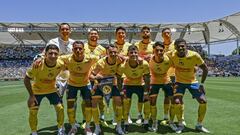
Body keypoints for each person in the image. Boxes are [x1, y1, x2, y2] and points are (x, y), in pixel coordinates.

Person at [169, 38, 209, 133]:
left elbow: (205, 69)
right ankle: (180, 124)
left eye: (183, 46)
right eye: (178, 47)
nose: (181, 48)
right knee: (177, 102)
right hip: (179, 82)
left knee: (203, 101)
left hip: (192, 82)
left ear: (186, 46)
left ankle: (199, 125)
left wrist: (202, 84)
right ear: (175, 47)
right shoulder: (172, 55)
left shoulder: (194, 55)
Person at [24, 44, 65, 135]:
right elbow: (26, 79)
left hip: (52, 90)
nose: (53, 56)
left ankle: (61, 129)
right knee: (33, 111)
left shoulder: (60, 63)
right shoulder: (37, 65)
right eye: (50, 53)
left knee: (60, 108)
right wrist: (31, 96)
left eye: (55, 53)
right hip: (37, 91)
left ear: (58, 55)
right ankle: (34, 131)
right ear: (45, 54)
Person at [59, 41, 97, 135]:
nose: (78, 50)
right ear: (72, 50)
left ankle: (87, 127)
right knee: (70, 105)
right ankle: (73, 127)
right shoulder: (67, 58)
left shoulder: (91, 58)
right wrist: (40, 59)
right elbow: (54, 58)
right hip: (72, 84)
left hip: (86, 84)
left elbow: (102, 60)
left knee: (88, 104)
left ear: (84, 50)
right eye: (75, 48)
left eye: (80, 48)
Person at [90, 44, 125, 135]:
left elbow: (129, 58)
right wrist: (96, 77)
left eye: (115, 52)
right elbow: (91, 75)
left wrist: (123, 57)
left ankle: (118, 126)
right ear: (107, 53)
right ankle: (97, 127)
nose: (113, 54)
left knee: (119, 102)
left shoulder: (119, 60)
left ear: (117, 53)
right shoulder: (101, 62)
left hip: (112, 85)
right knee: (94, 103)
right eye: (111, 52)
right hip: (101, 84)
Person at [117, 45, 150, 133]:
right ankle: (126, 123)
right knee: (126, 103)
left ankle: (146, 121)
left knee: (146, 101)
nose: (133, 54)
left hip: (140, 85)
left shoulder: (144, 63)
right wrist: (120, 91)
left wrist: (146, 91)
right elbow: (119, 79)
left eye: (135, 52)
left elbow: (147, 77)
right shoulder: (123, 65)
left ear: (138, 53)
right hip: (128, 85)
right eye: (131, 52)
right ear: (127, 54)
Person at [148, 41, 177, 132]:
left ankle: (171, 122)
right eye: (157, 50)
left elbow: (178, 66)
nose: (159, 52)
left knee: (173, 100)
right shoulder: (149, 59)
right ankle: (154, 122)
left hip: (166, 81)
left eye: (161, 50)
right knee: (152, 102)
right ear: (153, 50)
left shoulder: (168, 59)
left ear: (164, 50)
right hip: (154, 82)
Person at [112, 26, 133, 125]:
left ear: (125, 34)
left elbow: (133, 57)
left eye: (122, 33)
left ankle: (127, 115)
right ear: (116, 35)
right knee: (115, 96)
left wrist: (123, 57)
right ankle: (115, 116)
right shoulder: (112, 45)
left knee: (126, 97)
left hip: (126, 75)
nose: (121, 35)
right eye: (119, 33)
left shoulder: (129, 45)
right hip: (114, 75)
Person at [134, 26, 154, 125]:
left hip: (152, 74)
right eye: (143, 32)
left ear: (150, 33)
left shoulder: (154, 45)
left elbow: (161, 55)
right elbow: (133, 55)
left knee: (150, 96)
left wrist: (152, 56)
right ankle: (139, 115)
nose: (145, 33)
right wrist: (141, 57)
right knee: (141, 96)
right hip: (140, 74)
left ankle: (148, 115)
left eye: (147, 31)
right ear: (141, 34)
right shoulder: (137, 45)